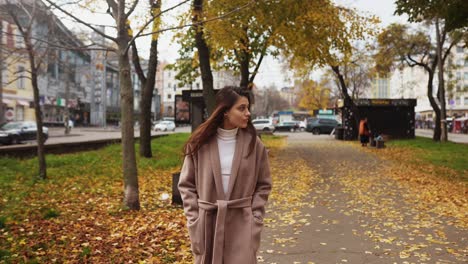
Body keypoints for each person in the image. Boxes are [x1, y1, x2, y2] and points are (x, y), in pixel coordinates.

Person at [178, 86, 272, 264]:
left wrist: (255, 217)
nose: (248, 113)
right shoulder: (200, 143)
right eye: (241, 108)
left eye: (248, 108)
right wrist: (194, 219)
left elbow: (264, 184)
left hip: (242, 224)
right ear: (225, 111)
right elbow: (186, 185)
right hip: (207, 224)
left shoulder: (254, 144)